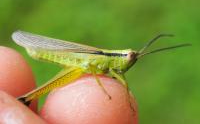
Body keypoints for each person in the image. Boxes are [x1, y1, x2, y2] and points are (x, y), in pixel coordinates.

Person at [0, 46, 138, 124]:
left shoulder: (114, 64)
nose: (131, 61)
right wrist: (102, 88)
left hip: (82, 66)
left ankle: (26, 99)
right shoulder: (107, 59)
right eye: (131, 57)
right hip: (79, 63)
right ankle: (27, 98)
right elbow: (117, 78)